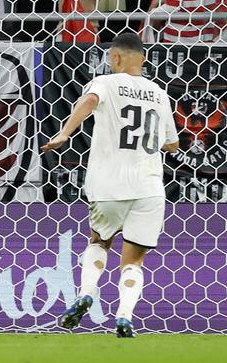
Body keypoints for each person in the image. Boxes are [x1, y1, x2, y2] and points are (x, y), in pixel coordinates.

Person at [42, 31, 179, 338]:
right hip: (149, 187)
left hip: (109, 184)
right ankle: (125, 317)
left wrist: (65, 133)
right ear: (142, 59)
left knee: (99, 241)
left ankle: (86, 293)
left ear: (115, 58)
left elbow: (89, 101)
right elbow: (172, 144)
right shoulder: (159, 92)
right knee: (134, 260)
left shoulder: (105, 82)